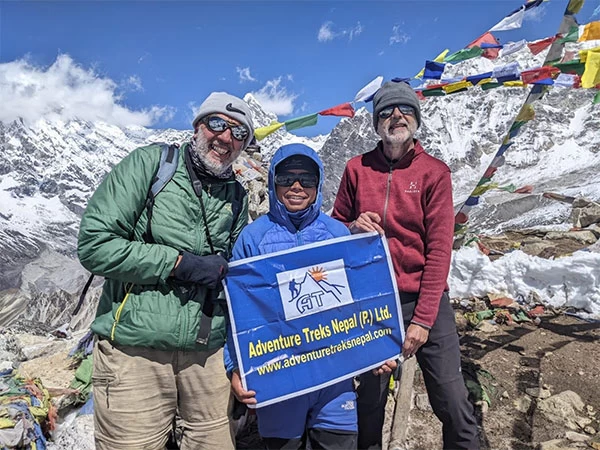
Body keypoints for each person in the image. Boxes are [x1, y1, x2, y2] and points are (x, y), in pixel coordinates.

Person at [77, 91, 254, 449]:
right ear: (197, 125)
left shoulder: (237, 195)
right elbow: (94, 245)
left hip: (206, 355)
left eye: (239, 133)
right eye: (217, 123)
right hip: (134, 352)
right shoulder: (150, 165)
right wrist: (176, 264)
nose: (225, 138)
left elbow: (240, 276)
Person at [332, 81, 479, 450]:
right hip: (372, 300)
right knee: (369, 400)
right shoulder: (356, 169)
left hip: (424, 299)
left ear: (416, 118)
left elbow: (440, 249)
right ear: (375, 122)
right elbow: (334, 226)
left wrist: (424, 320)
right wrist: (351, 227)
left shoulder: (434, 173)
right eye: (386, 111)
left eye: (404, 110)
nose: (396, 117)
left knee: (451, 398)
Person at [223, 143, 359, 450]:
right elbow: (236, 310)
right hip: (280, 377)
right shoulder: (252, 239)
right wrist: (234, 367)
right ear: (273, 181)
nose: (296, 186)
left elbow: (362, 302)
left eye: (306, 179)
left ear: (318, 183)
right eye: (286, 178)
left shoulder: (338, 234)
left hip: (334, 378)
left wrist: (379, 345)